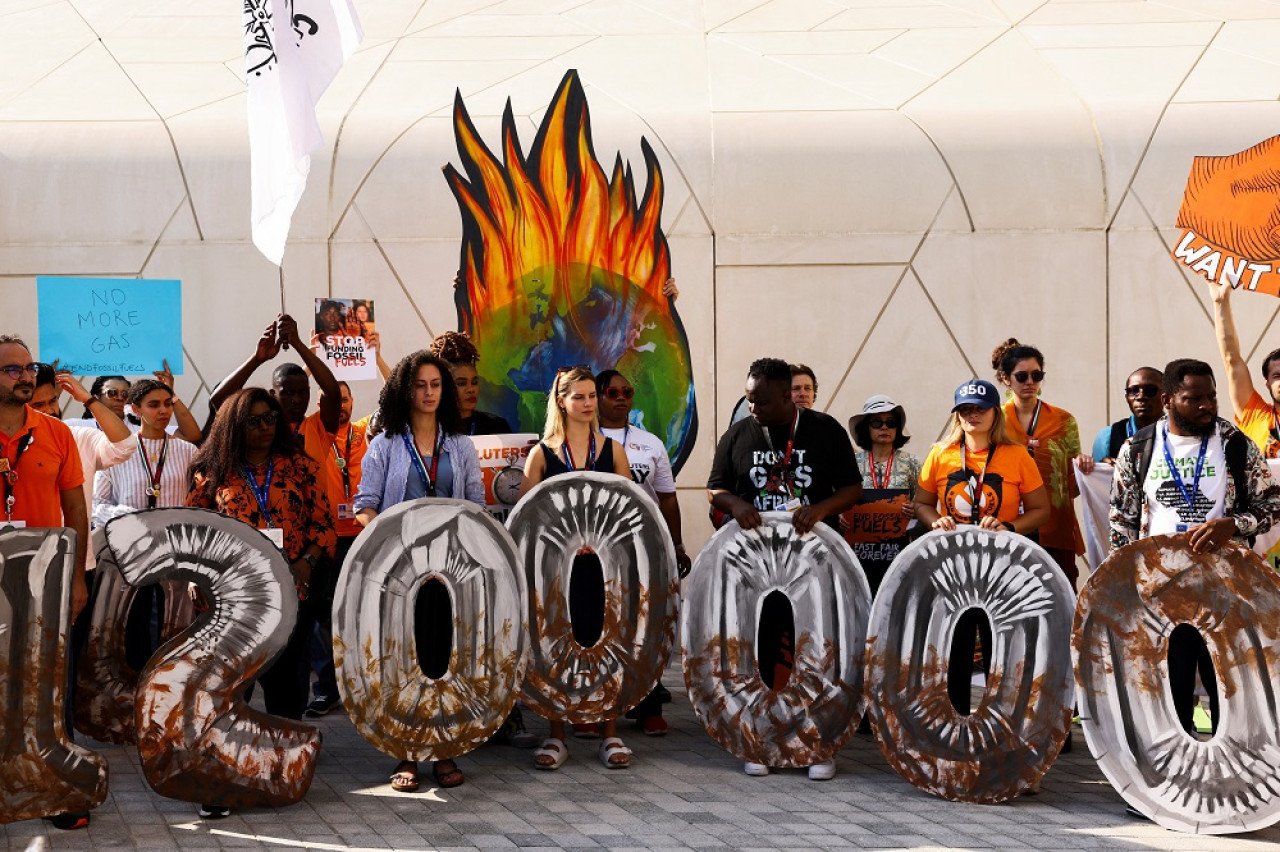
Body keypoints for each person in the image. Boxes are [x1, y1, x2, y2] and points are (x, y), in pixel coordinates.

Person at [707, 357, 862, 780]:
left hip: (813, 565)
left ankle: (817, 745)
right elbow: (716, 487)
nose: (752, 406)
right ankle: (761, 740)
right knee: (762, 651)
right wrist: (736, 504)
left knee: (814, 651)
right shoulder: (739, 433)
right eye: (748, 398)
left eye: (761, 400)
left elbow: (852, 488)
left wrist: (821, 509)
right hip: (756, 570)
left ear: (785, 395)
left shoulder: (824, 430)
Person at [1109, 358, 1280, 742]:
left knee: (1230, 685)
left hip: (1227, 588)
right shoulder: (1138, 449)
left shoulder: (1235, 444)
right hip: (1163, 591)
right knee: (1170, 683)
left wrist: (1233, 525)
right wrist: (1126, 586)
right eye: (1194, 398)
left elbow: (1271, 506)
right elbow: (1122, 522)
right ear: (1169, 400)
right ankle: (1167, 787)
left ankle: (1235, 778)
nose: (1207, 405)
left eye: (1211, 397)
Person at [185, 387, 334, 819]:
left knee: (288, 691)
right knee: (230, 691)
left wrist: (307, 562)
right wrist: (199, 577)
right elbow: (196, 531)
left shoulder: (302, 467)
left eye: (270, 418)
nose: (265, 427)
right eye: (254, 420)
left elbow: (322, 522)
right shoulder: (211, 472)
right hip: (235, 601)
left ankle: (279, 772)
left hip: (291, 593)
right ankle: (222, 779)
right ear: (234, 425)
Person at [354, 351, 485, 792]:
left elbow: (475, 505)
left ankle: (445, 749)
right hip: (401, 575)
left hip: (450, 574)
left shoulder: (461, 445)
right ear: (405, 392)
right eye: (420, 385)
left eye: (435, 385)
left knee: (444, 657)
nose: (429, 393)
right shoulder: (385, 445)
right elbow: (365, 506)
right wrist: (391, 546)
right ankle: (406, 752)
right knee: (401, 660)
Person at [518, 366, 633, 771]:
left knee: (608, 640)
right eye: (579, 397)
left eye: (591, 396)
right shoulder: (541, 454)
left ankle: (609, 732)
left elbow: (629, 513)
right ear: (561, 401)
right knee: (555, 644)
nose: (587, 404)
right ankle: (557, 735)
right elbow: (526, 517)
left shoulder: (613, 451)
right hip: (555, 570)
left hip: (604, 567)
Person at [914, 379, 1050, 717]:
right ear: (957, 415)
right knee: (955, 644)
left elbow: (1041, 510)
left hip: (1001, 568)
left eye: (980, 408)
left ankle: (1002, 720)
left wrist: (1009, 526)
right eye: (965, 409)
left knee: (999, 643)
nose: (972, 415)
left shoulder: (1016, 454)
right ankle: (955, 718)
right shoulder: (940, 453)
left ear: (995, 413)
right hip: (954, 567)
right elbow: (921, 503)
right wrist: (935, 521)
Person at [0, 336, 91, 830]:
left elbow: (76, 509)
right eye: (11, 370)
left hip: (45, 585)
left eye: (28, 367)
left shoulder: (57, 433)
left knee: (51, 689)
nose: (25, 376)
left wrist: (76, 578)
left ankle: (61, 791)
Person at [595, 369, 690, 737]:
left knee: (644, 626)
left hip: (644, 548)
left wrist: (677, 544)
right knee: (604, 626)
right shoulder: (585, 442)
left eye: (627, 391)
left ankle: (647, 702)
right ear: (599, 398)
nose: (621, 398)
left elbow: (667, 498)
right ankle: (598, 706)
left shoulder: (650, 444)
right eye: (613, 392)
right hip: (599, 549)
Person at [92, 378, 199, 669]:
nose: (163, 411)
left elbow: (199, 501)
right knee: (133, 628)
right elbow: (97, 506)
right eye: (154, 405)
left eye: (168, 404)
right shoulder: (115, 451)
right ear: (135, 409)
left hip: (176, 556)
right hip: (131, 556)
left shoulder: (188, 452)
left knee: (173, 628)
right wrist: (130, 517)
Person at [993, 339, 1086, 588]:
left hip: (1055, 525)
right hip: (1009, 525)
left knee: (1059, 596)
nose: (1030, 382)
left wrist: (1085, 469)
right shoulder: (994, 420)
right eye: (1021, 376)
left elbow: (1073, 485)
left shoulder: (1064, 420)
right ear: (1005, 378)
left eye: (1036, 375)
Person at [302, 380, 368, 719]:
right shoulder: (314, 430)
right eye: (332, 400)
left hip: (364, 534)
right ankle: (327, 689)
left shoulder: (365, 431)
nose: (340, 406)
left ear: (353, 401)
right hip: (326, 537)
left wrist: (380, 356)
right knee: (323, 616)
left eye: (344, 399)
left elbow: (394, 395)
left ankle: (363, 688)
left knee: (363, 611)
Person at [30, 363, 136, 535]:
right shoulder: (11, 445)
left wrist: (89, 400)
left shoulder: (77, 437)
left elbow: (125, 446)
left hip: (78, 557)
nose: (49, 410)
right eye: (38, 405)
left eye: (53, 401)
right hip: (28, 554)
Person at [846, 394, 920, 594]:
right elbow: (839, 500)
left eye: (891, 422)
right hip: (857, 556)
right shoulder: (851, 463)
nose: (884, 428)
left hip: (897, 554)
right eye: (877, 422)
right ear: (866, 428)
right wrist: (839, 517)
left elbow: (922, 504)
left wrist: (914, 510)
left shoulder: (911, 463)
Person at [1208, 279, 1280, 457]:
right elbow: (1231, 359)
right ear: (1267, 382)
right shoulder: (1256, 415)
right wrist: (1221, 304)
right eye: (1277, 375)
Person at [428, 331, 513, 435]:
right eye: (461, 383)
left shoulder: (496, 426)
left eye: (474, 382)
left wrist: (525, 450)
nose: (471, 389)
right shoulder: (427, 429)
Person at [1090, 367, 1165, 463]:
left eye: (1150, 390)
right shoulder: (1108, 436)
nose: (1141, 397)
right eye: (1133, 391)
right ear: (1126, 397)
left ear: (1165, 396)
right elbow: (1097, 476)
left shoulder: (1180, 433)